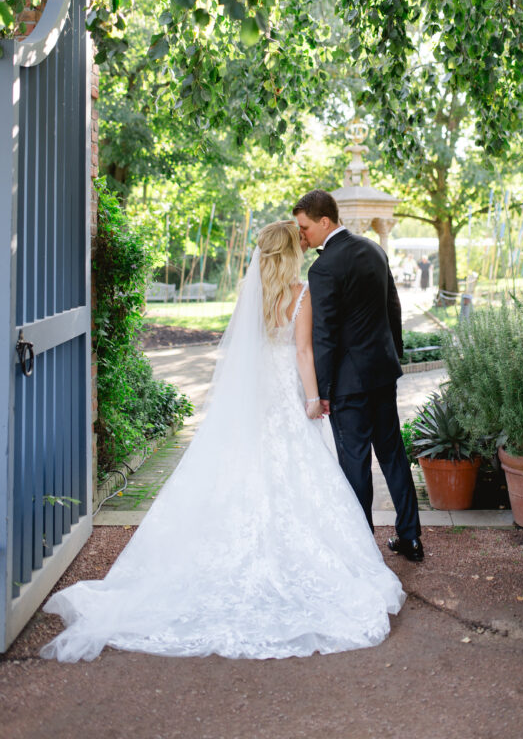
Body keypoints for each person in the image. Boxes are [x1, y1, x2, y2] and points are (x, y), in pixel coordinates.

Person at [41, 221, 404, 662]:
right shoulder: (300, 294)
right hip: (286, 396)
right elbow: (304, 352)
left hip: (256, 398)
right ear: (292, 252)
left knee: (243, 466)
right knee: (298, 472)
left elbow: (247, 351)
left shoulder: (254, 296)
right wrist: (313, 399)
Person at [293, 190, 423, 563]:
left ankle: (364, 548)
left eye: (305, 227)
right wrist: (391, 356)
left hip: (348, 385)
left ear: (324, 221)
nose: (303, 236)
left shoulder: (322, 269)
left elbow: (325, 335)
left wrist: (324, 388)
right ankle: (410, 537)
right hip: (382, 374)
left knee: (355, 465)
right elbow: (392, 308)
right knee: (393, 455)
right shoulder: (374, 250)